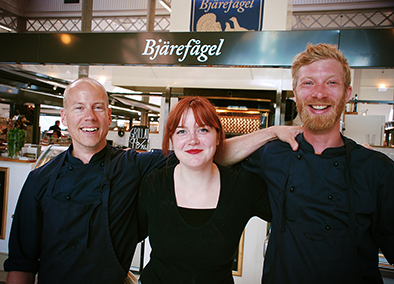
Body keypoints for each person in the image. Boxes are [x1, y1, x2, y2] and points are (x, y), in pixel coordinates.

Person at [3, 78, 302, 284]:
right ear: (64, 116)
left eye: (97, 107)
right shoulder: (40, 180)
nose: (89, 117)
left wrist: (272, 132)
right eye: (79, 108)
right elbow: (20, 262)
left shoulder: (135, 166)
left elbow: (203, 153)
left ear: (109, 115)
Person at [236, 43, 394, 283]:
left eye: (331, 83)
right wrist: (271, 131)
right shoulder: (272, 154)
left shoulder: (376, 169)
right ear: (295, 92)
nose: (319, 94)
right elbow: (216, 155)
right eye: (308, 83)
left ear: (347, 92)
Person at [138, 96, 277, 284]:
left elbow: (294, 219)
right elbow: (124, 235)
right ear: (171, 138)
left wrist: (276, 132)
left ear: (218, 136)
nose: (193, 140)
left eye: (203, 129)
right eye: (182, 132)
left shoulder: (242, 186)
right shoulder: (153, 183)